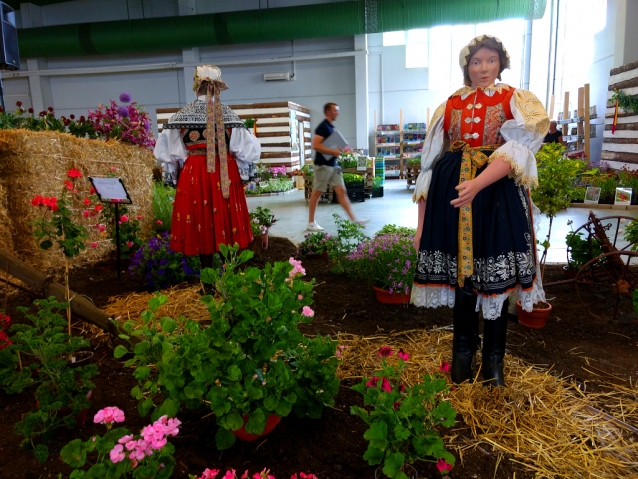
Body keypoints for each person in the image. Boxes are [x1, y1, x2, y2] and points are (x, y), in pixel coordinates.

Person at [411, 35, 548, 387]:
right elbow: (429, 166)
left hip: (495, 197)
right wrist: (421, 227)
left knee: (495, 281)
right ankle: (462, 355)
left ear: (501, 63)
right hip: (452, 196)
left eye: (490, 60)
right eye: (476, 61)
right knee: (462, 279)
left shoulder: (515, 99)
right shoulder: (449, 104)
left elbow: (519, 149)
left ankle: (493, 362)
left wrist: (478, 183)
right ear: (466, 67)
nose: (483, 68)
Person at [154, 65, 261, 269]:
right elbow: (248, 151)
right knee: (225, 221)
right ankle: (229, 277)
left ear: (196, 86)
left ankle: (207, 282)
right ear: (218, 87)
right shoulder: (229, 116)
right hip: (224, 172)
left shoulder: (180, 117)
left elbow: (166, 153)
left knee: (200, 221)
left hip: (194, 172)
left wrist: (177, 170)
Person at [306, 102, 367, 232]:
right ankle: (311, 222)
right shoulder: (322, 127)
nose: (337, 113)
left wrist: (338, 149)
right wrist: (332, 151)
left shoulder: (330, 127)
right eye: (335, 110)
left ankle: (355, 219)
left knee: (341, 191)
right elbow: (316, 146)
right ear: (328, 112)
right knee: (317, 193)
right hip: (323, 165)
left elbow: (327, 145)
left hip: (333, 165)